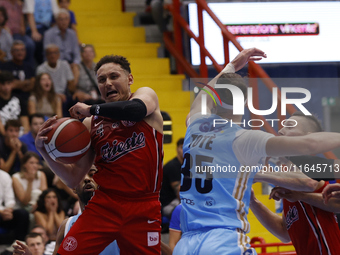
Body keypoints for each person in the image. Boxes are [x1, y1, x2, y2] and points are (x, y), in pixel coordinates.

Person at [172, 48, 340, 255]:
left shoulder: (194, 125)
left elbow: (311, 183)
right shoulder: (246, 140)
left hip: (187, 243)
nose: (280, 129)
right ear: (243, 103)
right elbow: (285, 232)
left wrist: (232, 65)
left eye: (290, 125)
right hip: (222, 239)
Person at [35, 54, 163, 254]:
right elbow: (73, 177)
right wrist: (44, 151)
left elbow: (136, 110)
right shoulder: (91, 123)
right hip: (105, 204)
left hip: (143, 205)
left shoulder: (145, 96)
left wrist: (91, 108)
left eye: (114, 76)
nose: (108, 83)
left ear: (130, 79)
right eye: (102, 80)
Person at [53, 165, 120, 255]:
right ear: (73, 187)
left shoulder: (121, 220)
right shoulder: (66, 226)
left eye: (92, 174)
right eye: (81, 176)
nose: (87, 179)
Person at [36, 44, 75, 116]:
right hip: (47, 94)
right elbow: (39, 87)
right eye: (50, 53)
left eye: (55, 53)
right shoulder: (41, 69)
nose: (53, 55)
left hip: (64, 95)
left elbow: (71, 85)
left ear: (59, 54)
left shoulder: (65, 65)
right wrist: (55, 95)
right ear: (46, 55)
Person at [43, 9, 80, 84]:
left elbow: (77, 53)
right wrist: (62, 65)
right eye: (61, 19)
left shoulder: (72, 33)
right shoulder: (48, 34)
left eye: (66, 19)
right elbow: (47, 53)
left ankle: (73, 90)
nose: (64, 22)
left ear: (69, 20)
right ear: (56, 20)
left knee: (76, 68)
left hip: (71, 63)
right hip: (56, 63)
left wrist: (75, 63)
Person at [22, 0, 59, 64]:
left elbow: (57, 14)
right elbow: (30, 14)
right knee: (37, 42)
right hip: (35, 27)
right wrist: (34, 31)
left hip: (48, 27)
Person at [0, 40, 36, 106]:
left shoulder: (29, 67)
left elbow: (32, 85)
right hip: (10, 100)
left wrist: (17, 83)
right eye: (17, 50)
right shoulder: (5, 66)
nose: (20, 53)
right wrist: (27, 82)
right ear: (11, 52)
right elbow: (10, 85)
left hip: (26, 99)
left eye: (22, 50)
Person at [0, 0, 35, 66]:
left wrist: (22, 26)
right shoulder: (2, 2)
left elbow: (21, 16)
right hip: (8, 31)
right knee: (15, 47)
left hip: (18, 32)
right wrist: (4, 27)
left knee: (30, 44)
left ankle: (28, 66)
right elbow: (2, 16)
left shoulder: (18, 4)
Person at [0, 169, 29, 243]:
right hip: (1, 211)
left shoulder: (4, 175)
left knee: (22, 214)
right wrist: (1, 211)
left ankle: (19, 244)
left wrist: (8, 209)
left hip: (4, 212)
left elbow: (10, 199)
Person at [160, 137, 183, 227]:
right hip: (168, 204)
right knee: (186, 210)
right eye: (181, 147)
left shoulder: (187, 165)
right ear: (177, 149)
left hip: (177, 201)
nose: (184, 150)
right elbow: (179, 192)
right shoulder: (172, 166)